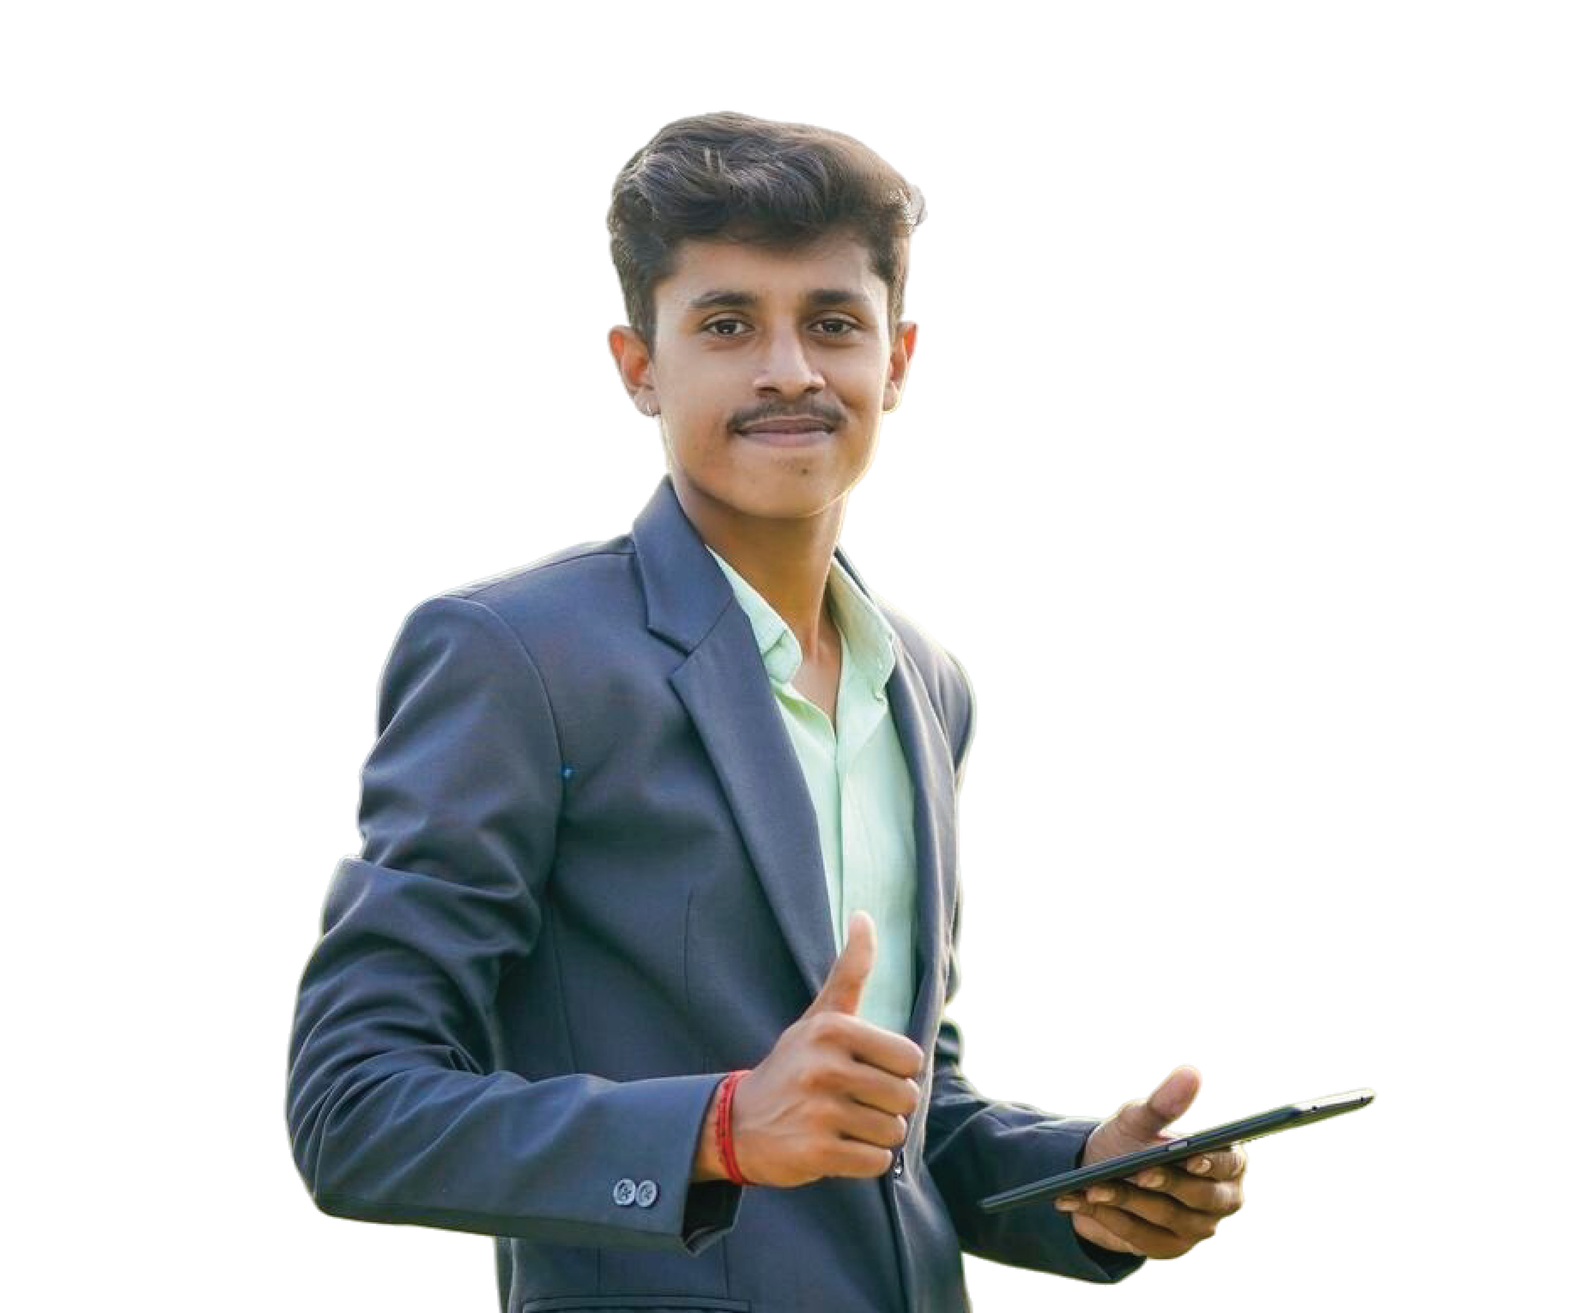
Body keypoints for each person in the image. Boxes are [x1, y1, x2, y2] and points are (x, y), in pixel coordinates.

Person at [284, 110, 1247, 1312]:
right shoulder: (514, 654)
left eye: (832, 323)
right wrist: (722, 1126)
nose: (789, 367)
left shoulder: (927, 681)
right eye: (728, 323)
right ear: (639, 366)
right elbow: (353, 1110)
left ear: (897, 361)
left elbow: (899, 1114)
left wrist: (1085, 1173)